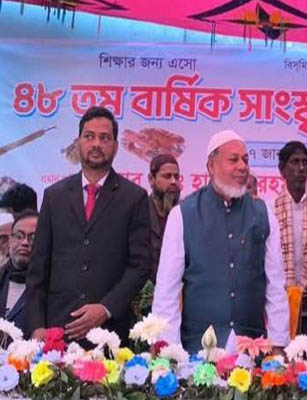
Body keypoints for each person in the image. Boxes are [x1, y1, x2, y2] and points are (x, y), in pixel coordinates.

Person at [153, 130, 289, 354]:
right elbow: (166, 292)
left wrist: (278, 345)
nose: (242, 166)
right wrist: (168, 351)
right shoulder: (182, 215)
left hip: (252, 351)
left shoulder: (263, 214)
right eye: (233, 160)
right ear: (211, 166)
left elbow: (275, 286)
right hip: (197, 352)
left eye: (245, 160)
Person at [25, 106, 151, 342]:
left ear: (115, 146)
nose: (96, 144)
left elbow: (140, 266)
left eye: (104, 138)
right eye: (89, 136)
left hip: (109, 334)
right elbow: (38, 269)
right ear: (78, 142)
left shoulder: (134, 198)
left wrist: (106, 308)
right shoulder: (54, 196)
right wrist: (36, 326)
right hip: (56, 332)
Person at [131, 154, 181, 321]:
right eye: (167, 176)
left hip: (177, 305)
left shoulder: (185, 214)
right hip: (140, 305)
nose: (173, 182)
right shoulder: (138, 212)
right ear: (151, 179)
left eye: (176, 177)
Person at [274, 141, 307, 336]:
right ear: (282, 170)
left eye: (304, 163)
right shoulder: (270, 209)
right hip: (280, 302)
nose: (300, 168)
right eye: (294, 162)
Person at [0, 210, 38, 336]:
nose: (24, 242)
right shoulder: (2, 278)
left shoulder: (52, 288)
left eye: (33, 238)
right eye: (19, 236)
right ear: (10, 241)